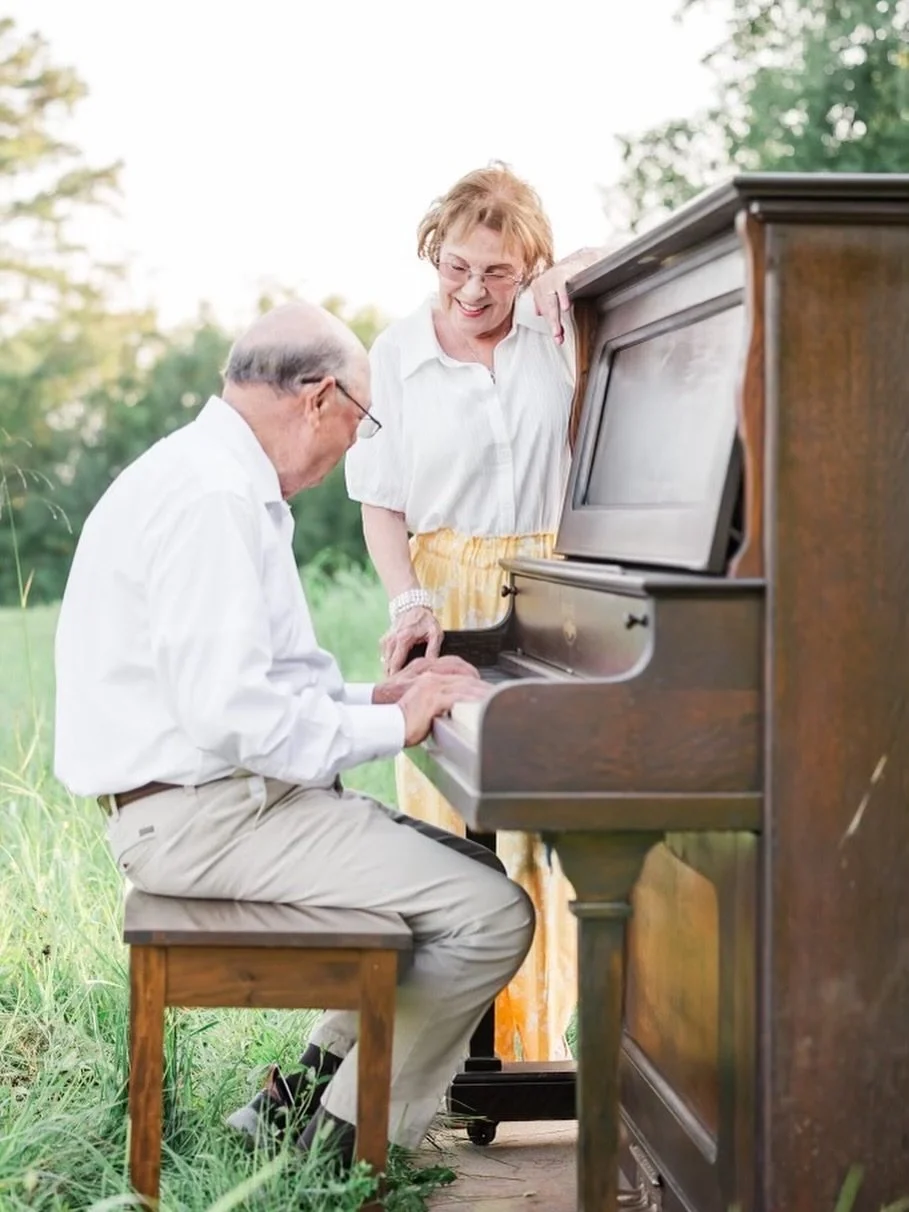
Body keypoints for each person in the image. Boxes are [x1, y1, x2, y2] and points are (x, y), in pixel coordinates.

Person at [53, 300, 536, 1164]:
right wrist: (394, 724)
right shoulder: (212, 501)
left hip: (210, 802)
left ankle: (288, 1112)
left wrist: (383, 694)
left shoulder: (213, 477)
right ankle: (340, 1159)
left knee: (464, 870)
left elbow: (266, 686)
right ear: (319, 398)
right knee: (491, 915)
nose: (353, 445)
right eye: (359, 422)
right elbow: (233, 716)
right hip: (206, 818)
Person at [344, 163, 604, 1064]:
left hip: (550, 581)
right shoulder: (394, 353)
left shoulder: (552, 331)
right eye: (455, 267)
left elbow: (607, 267)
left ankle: (525, 1057)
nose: (472, 291)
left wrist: (569, 267)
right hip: (447, 587)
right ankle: (447, 1058)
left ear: (526, 268)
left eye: (497, 272)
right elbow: (381, 501)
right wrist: (409, 597)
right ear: (432, 256)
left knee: (543, 831)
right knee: (455, 832)